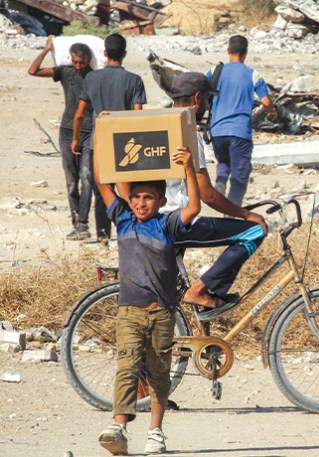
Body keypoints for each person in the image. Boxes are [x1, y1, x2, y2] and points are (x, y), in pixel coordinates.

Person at [94, 146, 200, 455]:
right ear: (130, 199)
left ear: (162, 202)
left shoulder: (167, 225)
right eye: (137, 196)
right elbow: (103, 181)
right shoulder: (123, 220)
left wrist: (189, 168)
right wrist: (102, 136)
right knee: (127, 367)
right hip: (129, 312)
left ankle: (155, 432)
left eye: (149, 197)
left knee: (158, 373)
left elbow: (194, 207)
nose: (141, 202)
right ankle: (119, 428)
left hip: (162, 315)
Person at [165, 72, 267, 317]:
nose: (208, 106)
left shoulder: (156, 124)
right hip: (176, 220)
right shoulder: (185, 131)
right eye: (208, 101)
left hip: (152, 218)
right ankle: (201, 290)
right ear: (198, 98)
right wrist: (246, 214)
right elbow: (207, 194)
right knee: (255, 231)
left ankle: (206, 343)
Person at [73, 33, 147, 243]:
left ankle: (103, 236)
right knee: (126, 192)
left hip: (99, 142)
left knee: (102, 192)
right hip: (125, 144)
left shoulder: (92, 78)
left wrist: (76, 139)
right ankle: (130, 232)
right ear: (124, 54)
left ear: (105, 53)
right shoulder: (134, 80)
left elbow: (80, 114)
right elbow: (138, 114)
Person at [28, 36, 95, 240]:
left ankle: (83, 224)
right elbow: (33, 71)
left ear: (89, 60)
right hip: (67, 131)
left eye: (81, 63)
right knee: (71, 181)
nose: (78, 66)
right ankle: (76, 222)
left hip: (90, 131)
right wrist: (47, 49)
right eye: (75, 62)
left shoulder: (95, 77)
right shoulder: (65, 72)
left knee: (87, 177)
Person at [207, 35, 278, 206]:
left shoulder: (213, 71)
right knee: (240, 175)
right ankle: (232, 211)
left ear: (228, 51)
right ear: (246, 53)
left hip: (217, 130)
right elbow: (266, 101)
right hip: (240, 132)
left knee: (223, 161)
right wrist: (272, 112)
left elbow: (201, 91)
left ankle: (220, 182)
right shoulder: (253, 74)